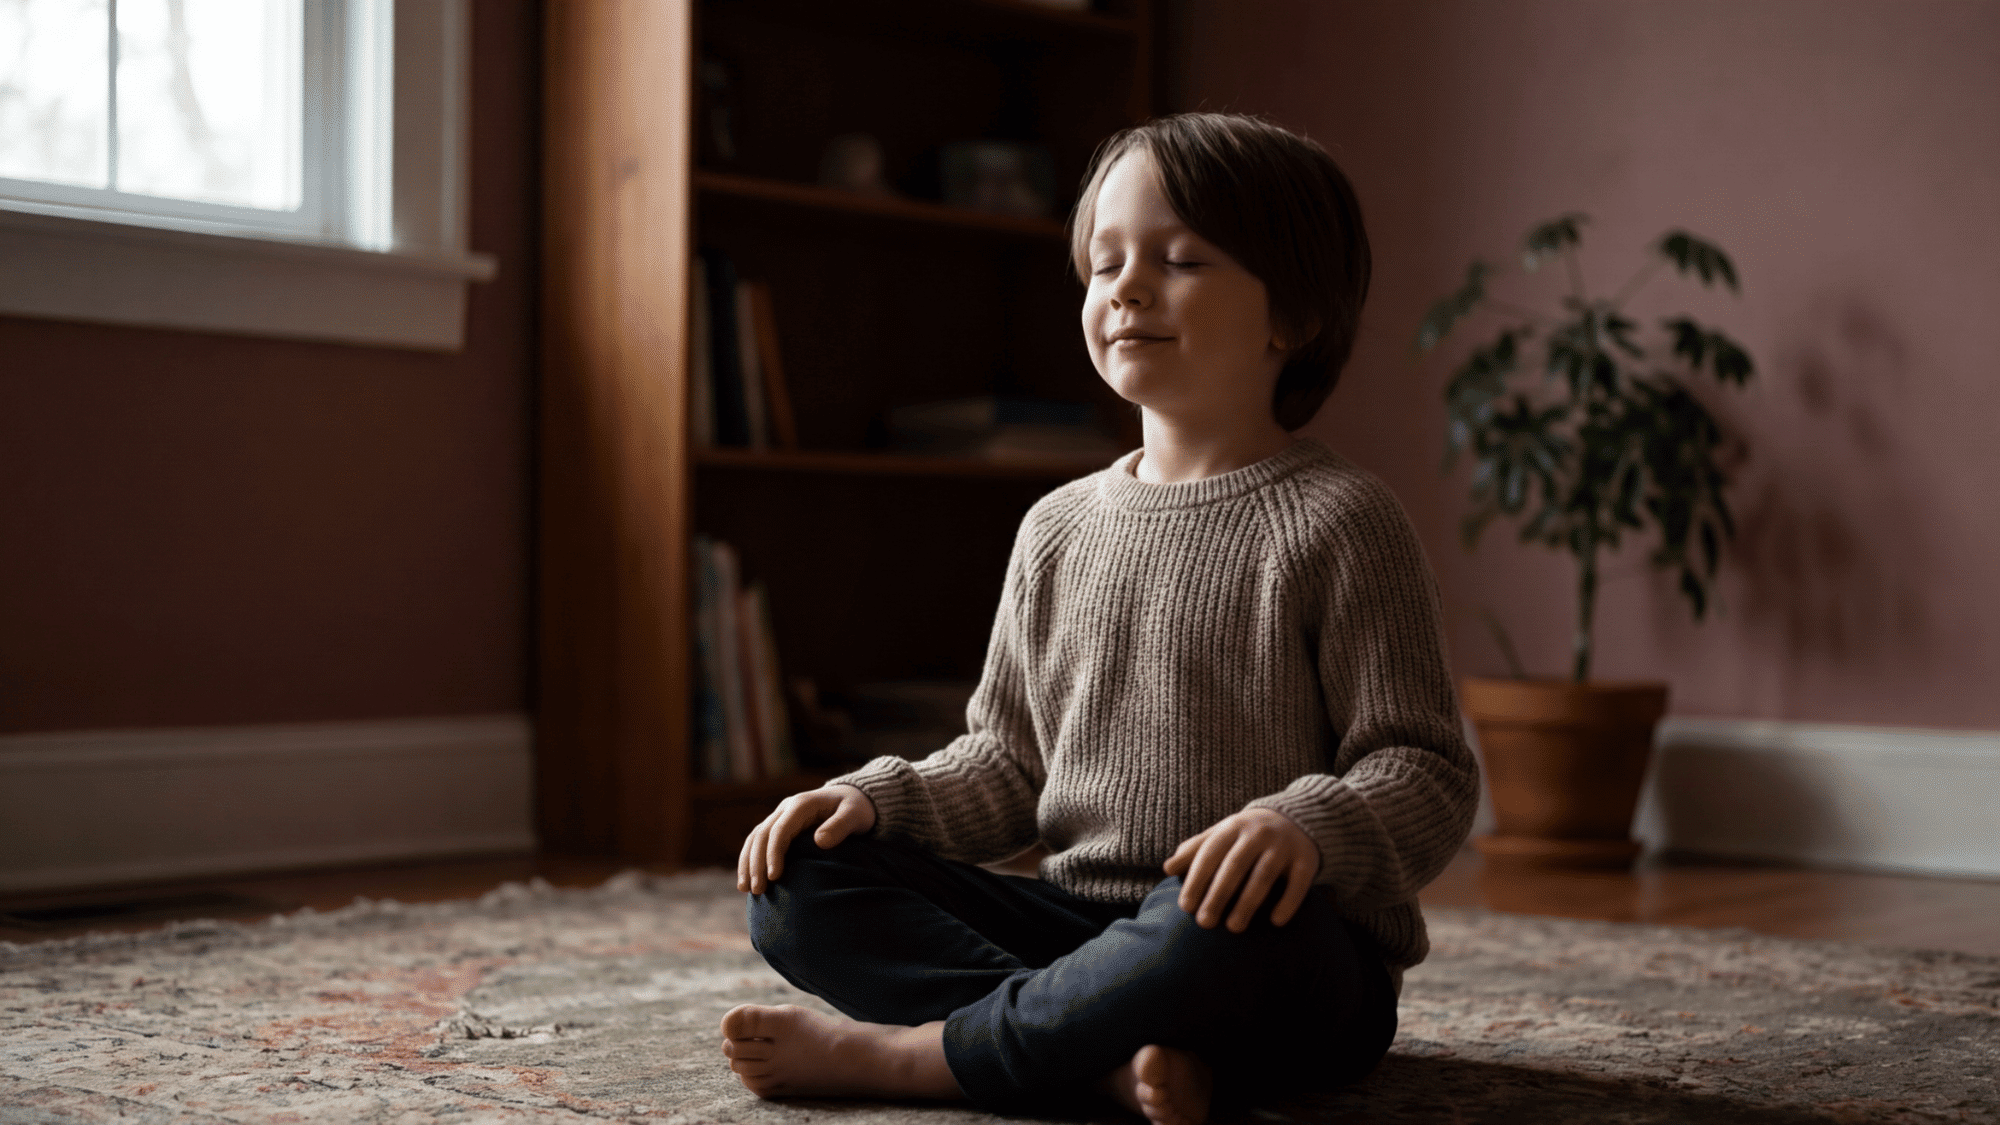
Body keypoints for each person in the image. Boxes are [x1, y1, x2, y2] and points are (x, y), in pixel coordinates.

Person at [716, 112, 1479, 1125]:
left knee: (1211, 931)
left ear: (1290, 315)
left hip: (1267, 949)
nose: (1125, 287)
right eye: (1102, 262)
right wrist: (879, 801)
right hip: (1072, 931)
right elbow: (1006, 763)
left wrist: (1306, 823)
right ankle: (1095, 1061)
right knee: (798, 888)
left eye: (1179, 260)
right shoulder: (1056, 527)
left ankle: (920, 1060)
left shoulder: (1341, 522)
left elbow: (1422, 768)